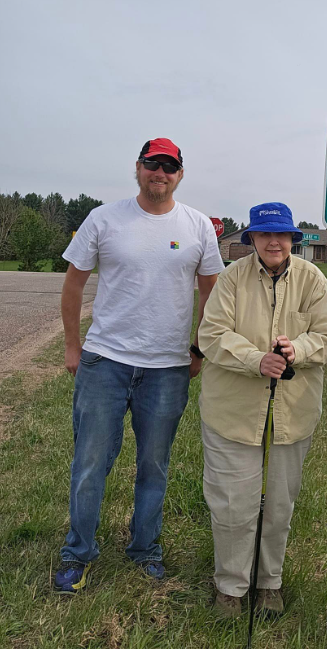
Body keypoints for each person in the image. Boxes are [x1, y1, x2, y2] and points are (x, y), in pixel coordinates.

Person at [54, 138, 224, 593]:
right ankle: (78, 553)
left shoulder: (198, 227)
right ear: (138, 168)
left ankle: (145, 549)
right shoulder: (104, 219)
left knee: (155, 464)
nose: (160, 173)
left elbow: (212, 294)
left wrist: (197, 350)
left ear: (180, 174)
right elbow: (73, 285)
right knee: (90, 462)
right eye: (153, 164)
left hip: (167, 369)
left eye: (169, 167)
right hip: (105, 361)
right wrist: (74, 346)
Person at [197, 202, 327, 618]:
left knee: (279, 506)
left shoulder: (312, 278)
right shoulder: (231, 278)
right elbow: (211, 334)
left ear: (294, 239)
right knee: (232, 505)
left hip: (292, 414)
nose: (274, 241)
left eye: (282, 234)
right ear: (252, 239)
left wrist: (300, 348)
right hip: (233, 411)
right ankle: (230, 587)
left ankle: (268, 584)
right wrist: (255, 359)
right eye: (264, 234)